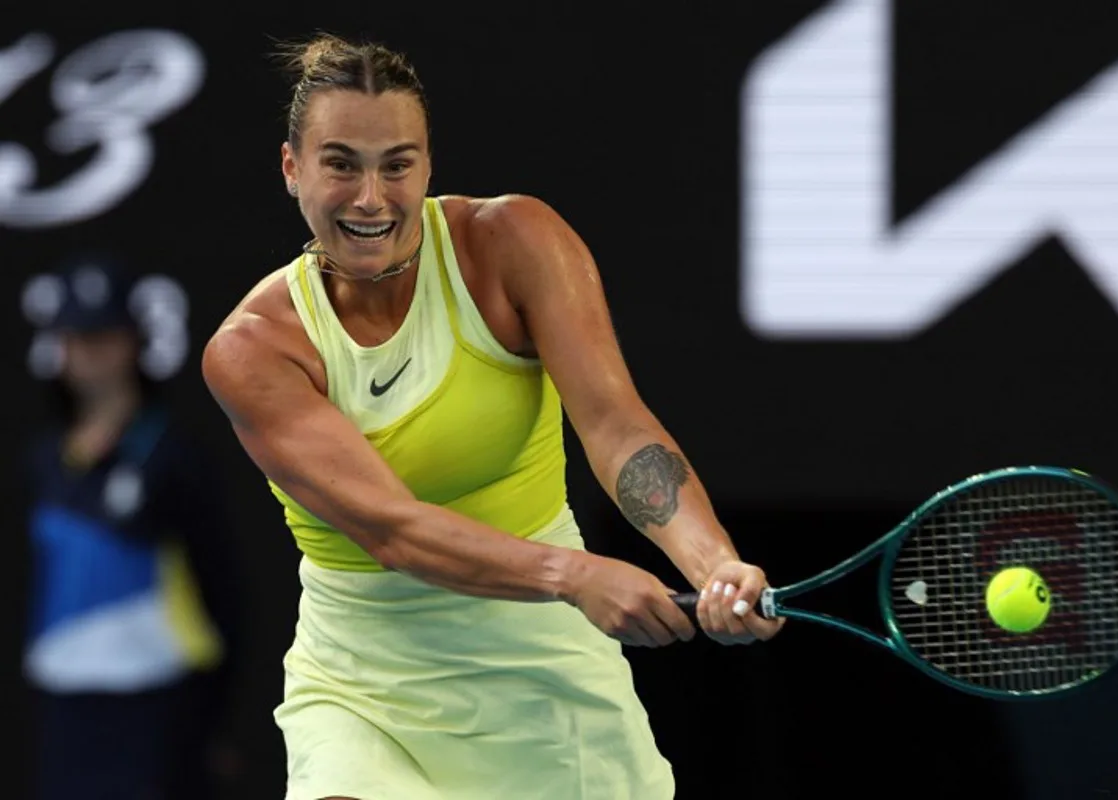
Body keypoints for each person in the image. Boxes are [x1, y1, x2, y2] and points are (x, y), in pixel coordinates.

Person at [202, 32, 783, 800]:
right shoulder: (255, 349)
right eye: (340, 163)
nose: (370, 198)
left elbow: (617, 427)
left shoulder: (516, 243)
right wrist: (575, 574)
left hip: (541, 665)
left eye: (396, 165)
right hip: (365, 682)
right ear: (293, 168)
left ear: (429, 165)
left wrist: (712, 567)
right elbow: (393, 530)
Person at [21, 255, 244, 799]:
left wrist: (216, 714)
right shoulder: (43, 458)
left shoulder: (173, 455)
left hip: (155, 698)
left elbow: (225, 588)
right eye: (77, 339)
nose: (92, 354)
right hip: (65, 700)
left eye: (105, 337)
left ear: (133, 343)